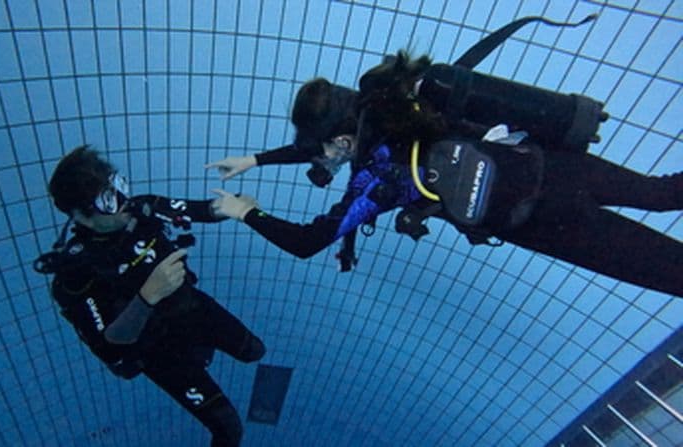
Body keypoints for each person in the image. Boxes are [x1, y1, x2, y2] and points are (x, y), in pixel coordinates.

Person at [208, 52, 683, 298]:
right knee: (661, 192)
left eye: (326, 151)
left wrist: (247, 212)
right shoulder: (411, 101)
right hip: (554, 165)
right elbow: (326, 141)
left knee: (664, 267)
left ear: (344, 141)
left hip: (544, 221)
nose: (323, 161)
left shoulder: (378, 180)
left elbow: (305, 243)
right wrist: (255, 160)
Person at [35, 146, 266, 447]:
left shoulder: (143, 207)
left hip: (189, 307)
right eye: (107, 200)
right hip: (156, 349)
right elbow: (111, 346)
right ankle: (193, 359)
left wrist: (227, 208)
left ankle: (198, 351)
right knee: (229, 429)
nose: (122, 201)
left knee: (254, 351)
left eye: (118, 185)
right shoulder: (77, 273)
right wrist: (148, 296)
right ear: (81, 216)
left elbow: (196, 210)